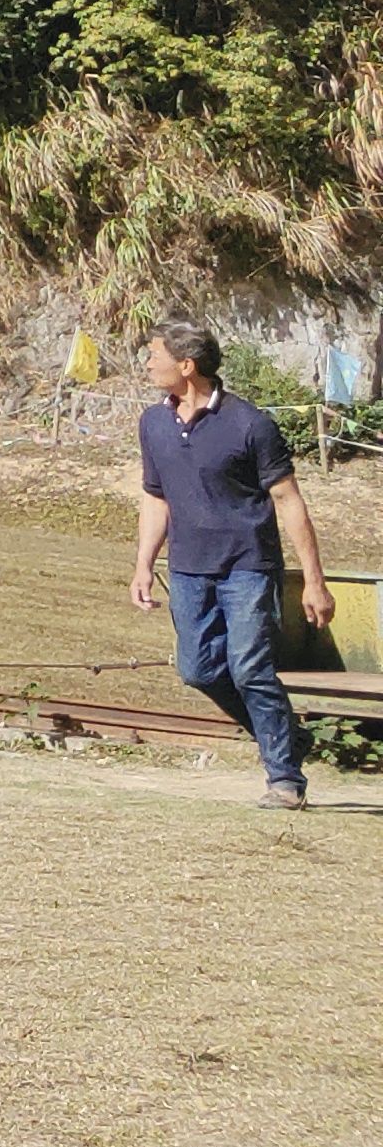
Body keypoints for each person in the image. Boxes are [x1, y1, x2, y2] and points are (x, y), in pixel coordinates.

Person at [131, 321, 338, 807]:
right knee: (198, 670)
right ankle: (287, 736)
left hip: (248, 567)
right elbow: (154, 498)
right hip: (187, 569)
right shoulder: (152, 423)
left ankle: (285, 779)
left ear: (186, 366)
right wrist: (143, 564)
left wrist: (314, 582)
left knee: (249, 668)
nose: (147, 363)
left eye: (153, 355)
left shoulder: (251, 424)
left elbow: (288, 500)